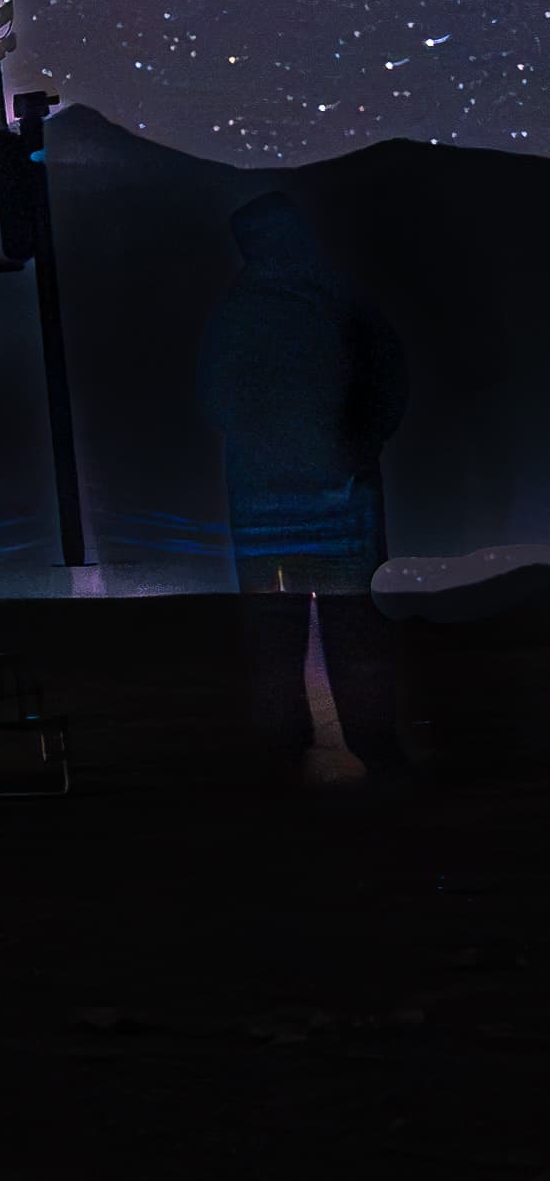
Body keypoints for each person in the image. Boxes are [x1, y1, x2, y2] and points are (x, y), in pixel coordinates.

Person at [196, 192, 412, 782]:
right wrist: (353, 449)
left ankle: (306, 750)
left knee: (297, 630)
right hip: (325, 494)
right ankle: (351, 747)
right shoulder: (336, 301)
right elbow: (386, 381)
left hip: (290, 498)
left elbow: (217, 400)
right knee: (340, 628)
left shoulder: (242, 310)